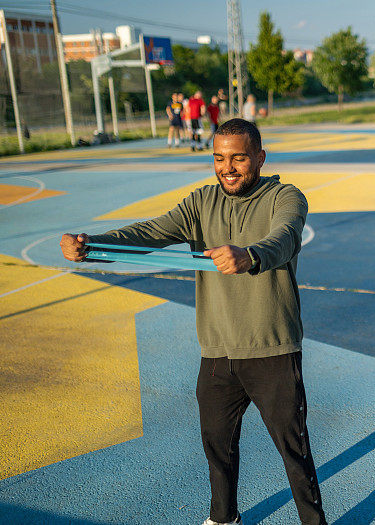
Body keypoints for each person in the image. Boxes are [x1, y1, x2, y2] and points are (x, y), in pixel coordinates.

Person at [60, 119, 327, 525]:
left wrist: (249, 255)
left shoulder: (284, 197)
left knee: (294, 451)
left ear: (259, 157)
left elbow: (286, 237)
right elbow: (150, 232)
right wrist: (91, 246)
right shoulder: (201, 202)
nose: (228, 168)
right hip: (217, 350)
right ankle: (223, 519)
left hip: (271, 348)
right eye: (219, 158)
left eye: (239, 157)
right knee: (217, 446)